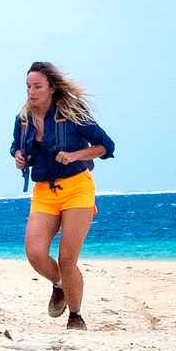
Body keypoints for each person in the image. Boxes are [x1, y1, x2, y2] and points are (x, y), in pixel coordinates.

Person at [13, 62, 115, 330]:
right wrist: (19, 157)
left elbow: (106, 146)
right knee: (35, 253)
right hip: (44, 191)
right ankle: (60, 284)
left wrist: (74, 155)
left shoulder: (72, 112)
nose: (31, 92)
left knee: (67, 258)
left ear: (51, 88)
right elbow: (15, 146)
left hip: (77, 188)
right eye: (28, 86)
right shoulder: (23, 119)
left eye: (37, 86)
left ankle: (76, 315)